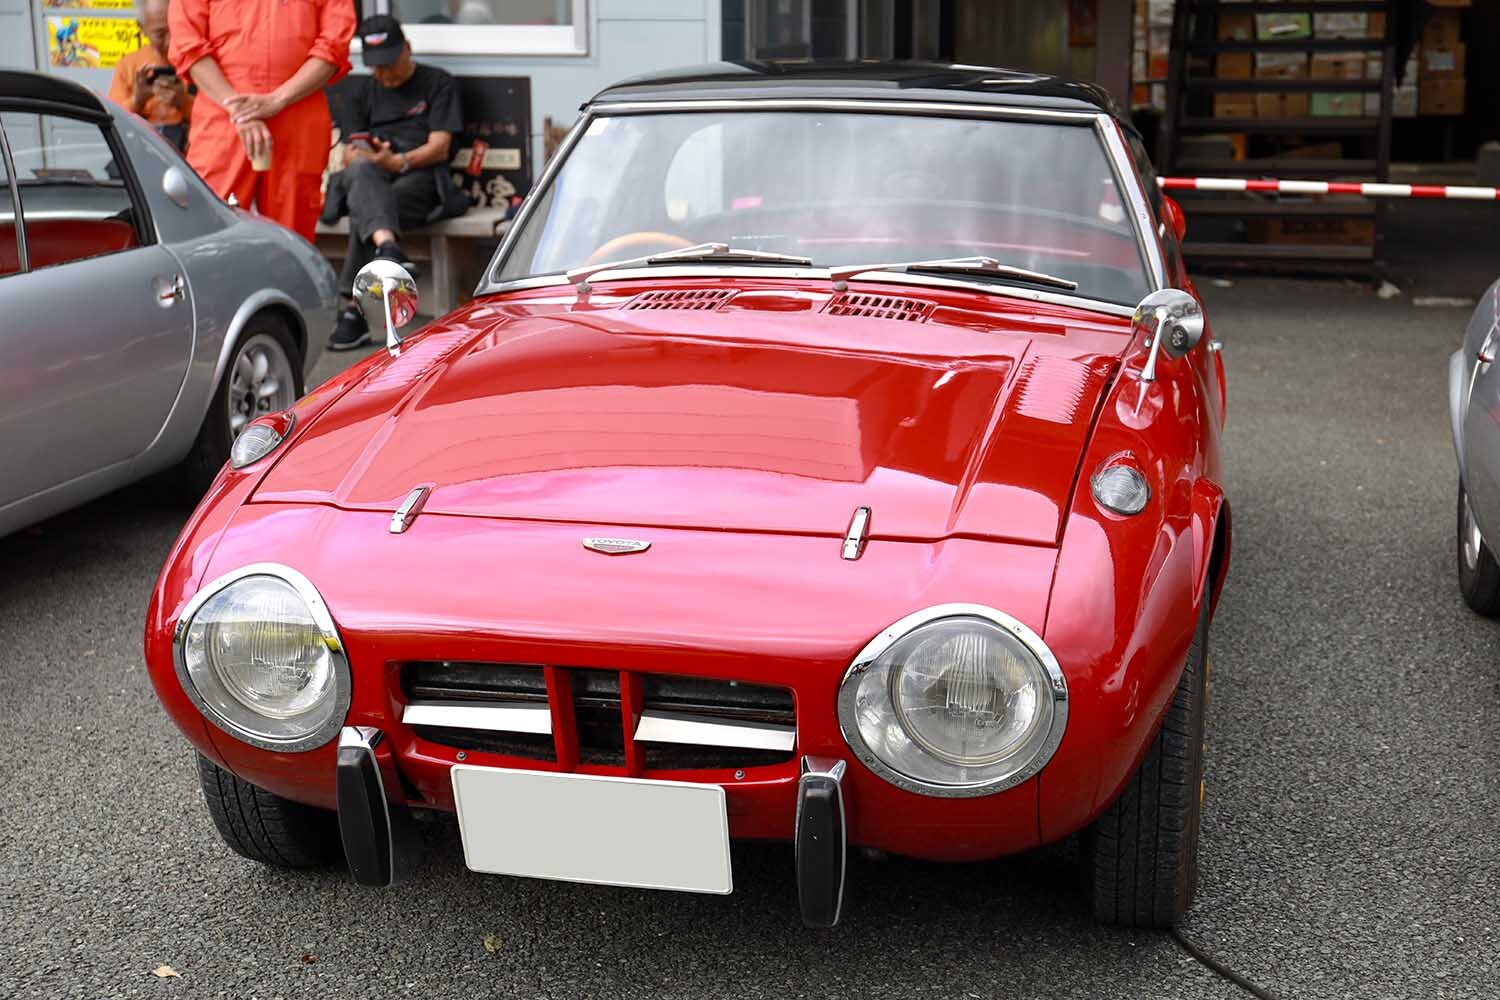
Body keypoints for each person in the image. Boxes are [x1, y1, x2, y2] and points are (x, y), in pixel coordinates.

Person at [323, 15, 464, 351]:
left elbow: (440, 146)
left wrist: (399, 161)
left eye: (388, 64)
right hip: (371, 176)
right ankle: (388, 248)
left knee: (368, 209)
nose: (383, 74)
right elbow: (350, 153)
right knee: (362, 177)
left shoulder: (438, 83)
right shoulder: (362, 91)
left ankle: (354, 310)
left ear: (407, 49)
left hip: (419, 178)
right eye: (376, 67)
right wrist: (372, 156)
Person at [168, 0, 356, 243]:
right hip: (222, 111)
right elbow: (188, 43)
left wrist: (279, 99)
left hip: (297, 107)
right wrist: (237, 109)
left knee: (292, 233)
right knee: (209, 225)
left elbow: (334, 44)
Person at [107, 0, 193, 152]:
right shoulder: (128, 66)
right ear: (142, 28)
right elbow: (112, 119)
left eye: (175, 29)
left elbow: (217, 119)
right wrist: (137, 101)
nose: (170, 42)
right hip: (140, 154)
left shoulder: (197, 63)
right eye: (160, 34)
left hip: (186, 156)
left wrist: (183, 102)